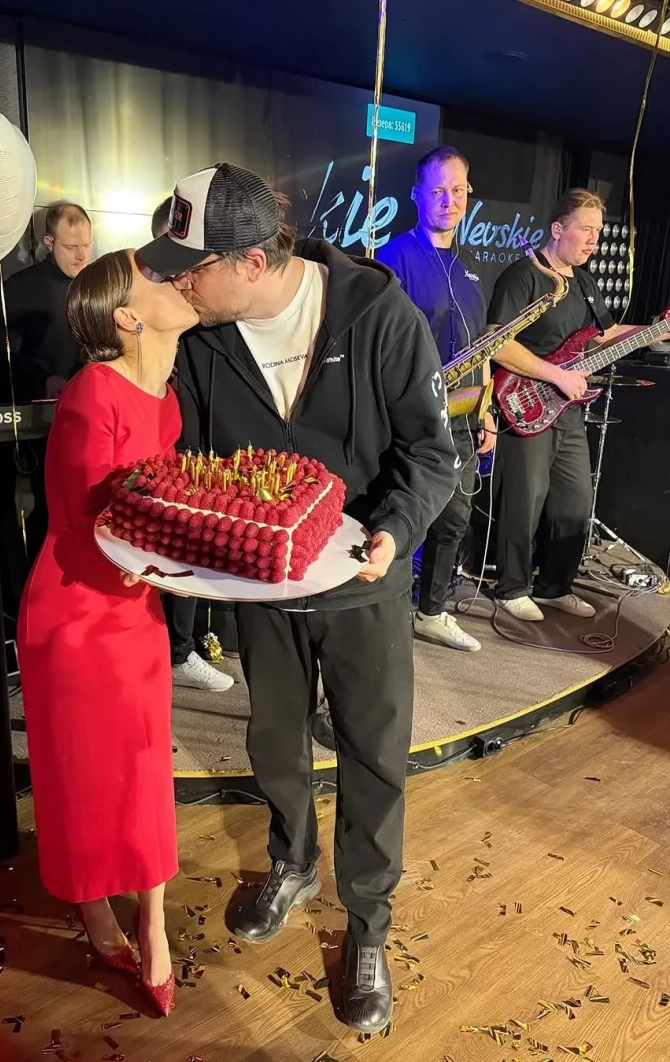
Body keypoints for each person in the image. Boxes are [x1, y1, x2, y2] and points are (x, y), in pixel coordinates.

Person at [137, 163, 459, 1034]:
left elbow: (433, 454)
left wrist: (395, 529)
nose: (179, 283)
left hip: (363, 586)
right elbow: (186, 463)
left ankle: (368, 923)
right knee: (275, 741)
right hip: (262, 587)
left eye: (191, 269)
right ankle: (293, 861)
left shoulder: (378, 316)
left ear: (250, 261)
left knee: (373, 758)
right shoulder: (203, 338)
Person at [17, 248, 200, 1017]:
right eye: (150, 277)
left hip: (135, 609)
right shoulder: (93, 390)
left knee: (145, 770)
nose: (172, 278)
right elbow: (91, 523)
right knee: (84, 777)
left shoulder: (168, 398)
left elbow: (161, 507)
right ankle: (95, 911)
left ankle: (152, 923)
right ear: (127, 317)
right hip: (76, 612)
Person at [489, 188, 670, 621]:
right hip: (524, 400)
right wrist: (557, 375)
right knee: (524, 501)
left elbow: (603, 337)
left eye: (598, 231)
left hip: (567, 410)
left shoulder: (585, 282)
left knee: (574, 502)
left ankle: (554, 587)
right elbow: (497, 343)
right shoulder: (524, 276)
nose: (593, 239)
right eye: (585, 230)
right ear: (557, 229)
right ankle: (512, 588)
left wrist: (655, 332)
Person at [380, 146, 494, 652]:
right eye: (439, 191)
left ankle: (433, 611)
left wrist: (487, 409)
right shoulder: (393, 258)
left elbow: (482, 345)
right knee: (402, 513)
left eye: (459, 190)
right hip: (411, 415)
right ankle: (388, 613)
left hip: (464, 416)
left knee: (454, 518)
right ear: (417, 195)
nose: (450, 200)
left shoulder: (470, 266)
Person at [151, 197, 233, 693]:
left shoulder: (214, 308)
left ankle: (191, 643)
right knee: (175, 547)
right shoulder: (152, 298)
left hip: (205, 442)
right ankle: (178, 652)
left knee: (202, 546)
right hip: (166, 441)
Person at [0, 202, 92, 561]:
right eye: (71, 247)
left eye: (86, 245)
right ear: (48, 242)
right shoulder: (18, 289)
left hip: (88, 416)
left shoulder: (96, 288)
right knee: (45, 508)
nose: (81, 256)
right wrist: (44, 378)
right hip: (37, 422)